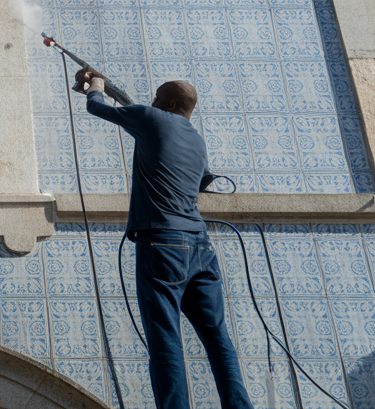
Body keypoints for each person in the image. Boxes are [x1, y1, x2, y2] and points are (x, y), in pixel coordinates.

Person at [79, 70, 254, 409]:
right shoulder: (197, 140)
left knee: (164, 337)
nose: (152, 100)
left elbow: (97, 108)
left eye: (157, 96)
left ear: (170, 103)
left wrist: (95, 87)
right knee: (217, 338)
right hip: (200, 244)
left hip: (162, 241)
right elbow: (201, 181)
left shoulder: (150, 116)